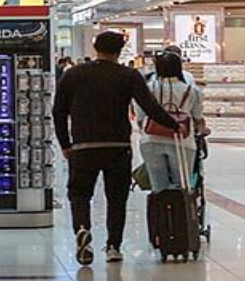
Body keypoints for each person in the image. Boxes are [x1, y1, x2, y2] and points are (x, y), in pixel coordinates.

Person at [54, 32, 180, 266]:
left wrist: (65, 144)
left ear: (95, 48)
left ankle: (82, 229)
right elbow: (149, 106)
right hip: (118, 146)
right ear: (120, 51)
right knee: (116, 197)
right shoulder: (128, 75)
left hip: (83, 145)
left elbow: (59, 111)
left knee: (80, 193)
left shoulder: (74, 74)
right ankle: (113, 246)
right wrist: (174, 125)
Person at [135, 52, 208, 192]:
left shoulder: (148, 89)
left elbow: (140, 116)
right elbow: (198, 118)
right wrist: (203, 130)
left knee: (157, 185)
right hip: (182, 140)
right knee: (182, 184)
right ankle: (179, 210)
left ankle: (159, 209)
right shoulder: (192, 91)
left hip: (151, 139)